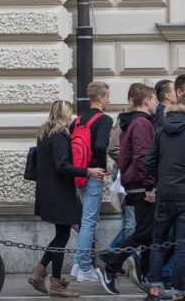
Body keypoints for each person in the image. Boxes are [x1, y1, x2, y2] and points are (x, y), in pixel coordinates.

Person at [28, 100, 106, 298]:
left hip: (48, 192)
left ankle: (40, 273)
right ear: (64, 114)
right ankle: (56, 284)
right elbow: (62, 166)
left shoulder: (44, 133)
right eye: (70, 113)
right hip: (59, 193)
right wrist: (88, 171)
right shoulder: (60, 136)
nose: (71, 117)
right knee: (61, 236)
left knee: (60, 235)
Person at [145, 93, 185, 301]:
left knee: (158, 242)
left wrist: (161, 179)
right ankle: (178, 293)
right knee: (183, 245)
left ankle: (154, 290)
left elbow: (149, 162)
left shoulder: (162, 130)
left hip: (165, 193)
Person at [97, 83, 159, 295]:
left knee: (148, 233)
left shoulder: (132, 122)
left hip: (134, 182)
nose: (157, 104)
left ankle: (148, 278)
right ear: (146, 101)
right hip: (141, 184)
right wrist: (149, 185)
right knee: (144, 232)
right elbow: (142, 156)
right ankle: (112, 266)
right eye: (155, 100)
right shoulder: (141, 123)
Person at [71, 82, 114, 283]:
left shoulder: (77, 120)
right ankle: (84, 268)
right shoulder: (104, 120)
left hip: (79, 174)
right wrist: (102, 168)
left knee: (85, 220)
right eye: (107, 96)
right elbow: (100, 145)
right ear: (99, 98)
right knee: (89, 222)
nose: (109, 100)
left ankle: (78, 266)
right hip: (93, 174)